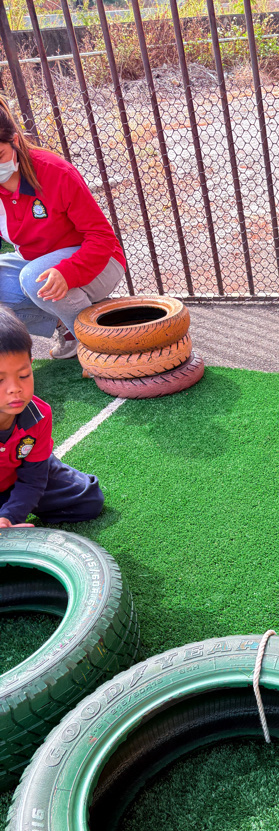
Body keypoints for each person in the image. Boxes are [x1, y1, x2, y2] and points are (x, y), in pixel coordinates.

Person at [0, 97, 125, 360]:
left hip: (101, 263)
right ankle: (68, 323)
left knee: (35, 277)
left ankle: (98, 343)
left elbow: (102, 238)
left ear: (15, 140)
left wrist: (68, 272)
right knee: (33, 276)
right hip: (38, 266)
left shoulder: (55, 171)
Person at [0, 307, 103, 528]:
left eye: (24, 375)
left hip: (22, 475)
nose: (15, 388)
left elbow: (33, 479)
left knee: (89, 500)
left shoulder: (39, 414)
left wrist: (10, 517)